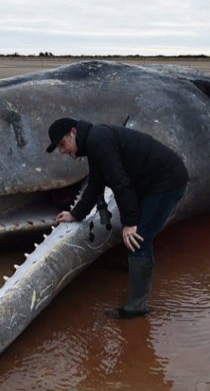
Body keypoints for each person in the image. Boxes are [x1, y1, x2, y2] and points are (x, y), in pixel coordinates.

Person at [47, 117, 188, 318]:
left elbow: (120, 183)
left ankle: (137, 307)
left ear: (74, 132)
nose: (63, 151)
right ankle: (135, 264)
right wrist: (76, 214)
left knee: (139, 236)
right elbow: (96, 182)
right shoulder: (94, 142)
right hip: (149, 181)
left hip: (166, 182)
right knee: (134, 227)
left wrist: (130, 223)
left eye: (63, 144)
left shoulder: (98, 141)